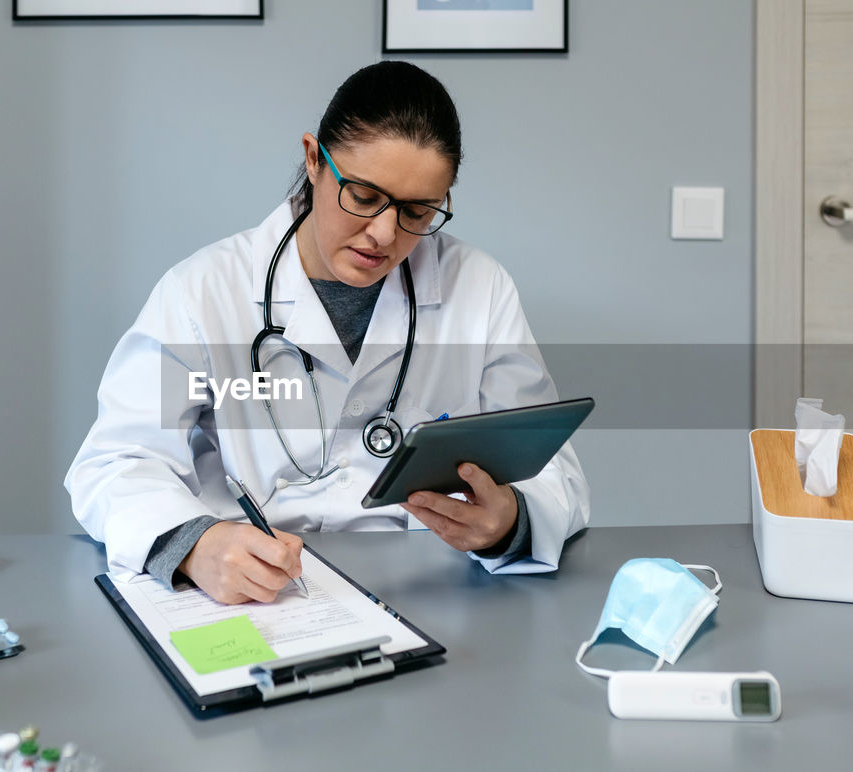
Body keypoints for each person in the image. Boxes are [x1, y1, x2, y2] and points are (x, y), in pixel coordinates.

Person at [66, 61, 588, 605]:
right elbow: (116, 462)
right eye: (364, 197)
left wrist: (508, 520)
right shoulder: (203, 291)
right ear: (314, 159)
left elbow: (551, 470)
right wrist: (197, 546)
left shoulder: (479, 288)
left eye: (416, 210)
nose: (384, 234)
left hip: (428, 591)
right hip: (253, 594)